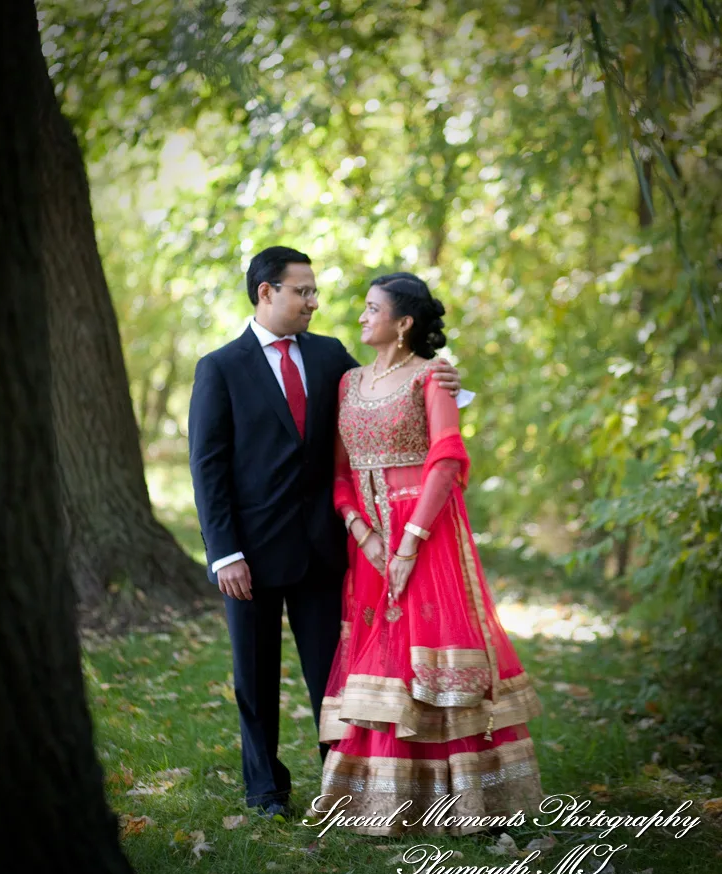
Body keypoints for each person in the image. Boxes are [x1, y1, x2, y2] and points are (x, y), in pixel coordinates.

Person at [188, 247, 466, 819]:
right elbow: (207, 468)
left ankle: (341, 784)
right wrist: (224, 554)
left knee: (333, 677)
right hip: (250, 553)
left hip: (324, 548)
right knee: (255, 678)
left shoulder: (331, 356)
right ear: (267, 292)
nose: (315, 301)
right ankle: (266, 791)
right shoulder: (220, 367)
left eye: (315, 291)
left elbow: (385, 398)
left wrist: (448, 382)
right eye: (303, 291)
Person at [315, 272, 543, 835]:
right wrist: (365, 535)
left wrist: (410, 543)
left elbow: (446, 458)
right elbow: (340, 471)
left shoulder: (431, 379)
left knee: (432, 654)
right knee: (381, 655)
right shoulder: (347, 383)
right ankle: (382, 798)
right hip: (368, 540)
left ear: (404, 321)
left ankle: (470, 797)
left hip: (428, 533)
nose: (363, 316)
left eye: (373, 309)